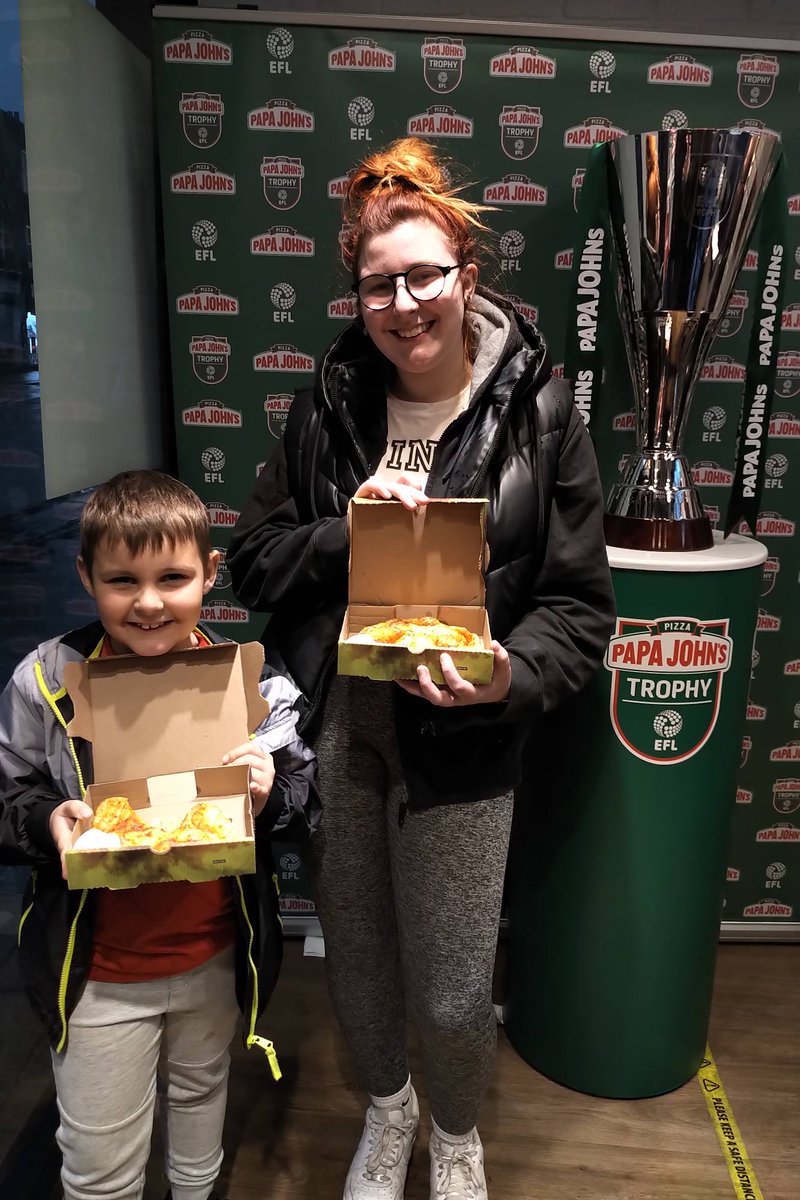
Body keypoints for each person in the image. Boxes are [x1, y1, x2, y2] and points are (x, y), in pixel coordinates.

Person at [227, 138, 615, 1200]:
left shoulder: (538, 412)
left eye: (422, 277)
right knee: (355, 968)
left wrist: (507, 674)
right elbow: (252, 556)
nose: (402, 304)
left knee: (448, 992)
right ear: (355, 295)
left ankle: (454, 1132)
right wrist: (342, 533)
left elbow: (578, 610)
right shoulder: (328, 403)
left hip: (466, 731)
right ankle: (388, 1108)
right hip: (344, 724)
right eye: (377, 285)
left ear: (464, 279)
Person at [0, 470, 318, 1200]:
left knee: (200, 1110)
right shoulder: (49, 680)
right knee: (100, 1164)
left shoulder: (253, 688)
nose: (148, 602)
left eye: (172, 577)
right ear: (86, 577)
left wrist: (269, 793)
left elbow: (303, 795)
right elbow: (7, 788)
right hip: (98, 976)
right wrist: (46, 818)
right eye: (122, 580)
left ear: (210, 573)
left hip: (211, 958)